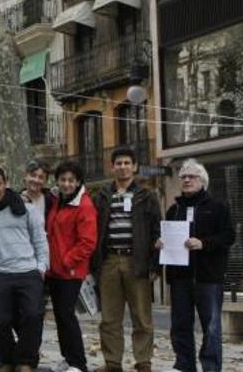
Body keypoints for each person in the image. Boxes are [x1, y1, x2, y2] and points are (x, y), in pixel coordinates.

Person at [0, 166, 48, 372]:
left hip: (28, 271)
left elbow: (40, 240)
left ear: (6, 183)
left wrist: (41, 266)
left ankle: (25, 362)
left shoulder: (26, 209)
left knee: (32, 316)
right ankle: (8, 358)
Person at [158, 159, 235, 372]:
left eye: (191, 176)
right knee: (180, 326)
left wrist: (204, 243)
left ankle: (211, 367)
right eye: (183, 176)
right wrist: (161, 243)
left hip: (208, 278)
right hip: (180, 278)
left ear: (203, 180)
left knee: (211, 327)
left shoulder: (218, 207)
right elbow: (166, 238)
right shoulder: (174, 210)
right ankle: (184, 365)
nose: (186, 180)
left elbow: (229, 236)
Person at [91, 147, 161, 372]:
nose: (123, 167)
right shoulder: (102, 196)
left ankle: (143, 362)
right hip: (109, 261)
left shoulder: (146, 196)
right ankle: (112, 363)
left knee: (142, 316)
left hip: (137, 262)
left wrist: (155, 264)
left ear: (135, 166)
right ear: (112, 167)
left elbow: (156, 232)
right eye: (118, 163)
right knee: (110, 317)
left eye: (127, 163)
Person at [46, 162, 97, 372]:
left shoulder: (84, 205)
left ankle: (79, 363)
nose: (66, 184)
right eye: (63, 179)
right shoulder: (58, 201)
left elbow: (87, 242)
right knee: (60, 316)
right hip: (55, 271)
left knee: (67, 316)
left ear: (78, 182)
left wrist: (67, 261)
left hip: (71, 272)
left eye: (71, 180)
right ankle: (68, 358)